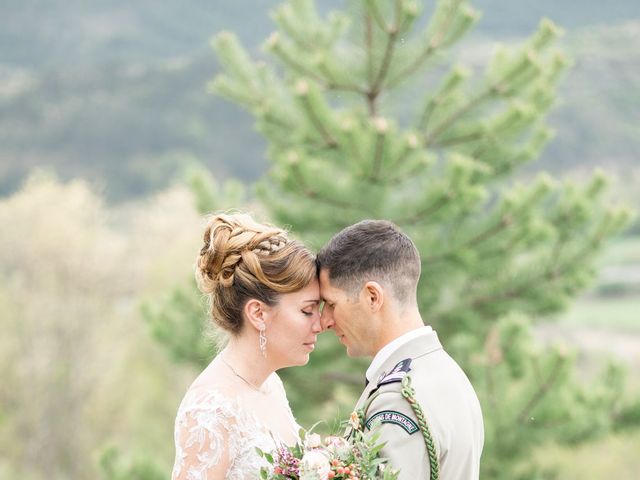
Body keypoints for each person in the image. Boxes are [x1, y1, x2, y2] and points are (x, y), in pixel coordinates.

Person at [317, 219, 484, 480]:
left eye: (330, 303)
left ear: (372, 297)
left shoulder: (397, 402)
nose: (325, 320)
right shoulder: (447, 372)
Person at [171, 213, 321, 480]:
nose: (320, 324)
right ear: (258, 314)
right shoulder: (210, 408)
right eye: (307, 311)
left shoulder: (271, 384)